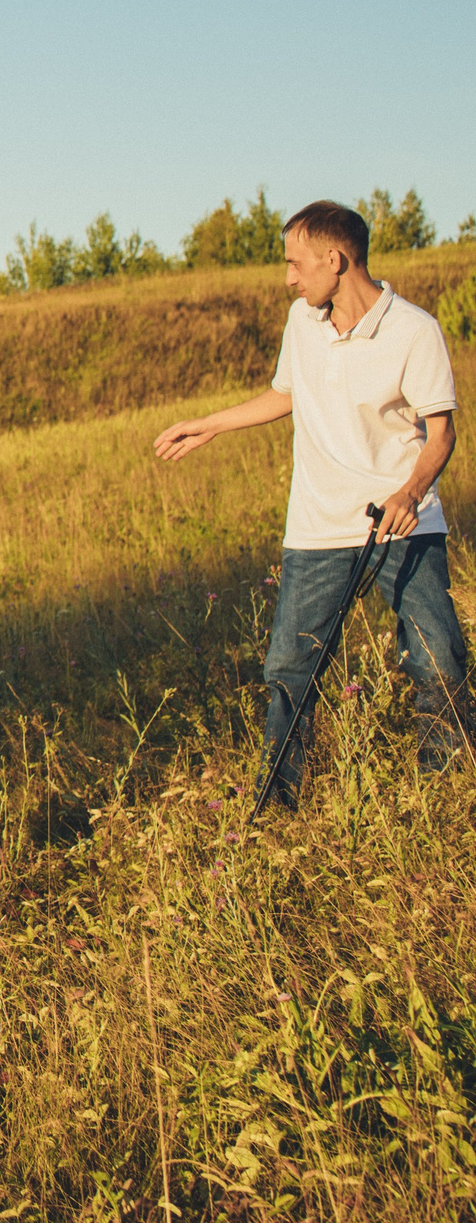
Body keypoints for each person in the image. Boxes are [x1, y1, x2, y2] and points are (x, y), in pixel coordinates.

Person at [155, 199, 466, 803]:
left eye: (296, 263)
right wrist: (210, 424)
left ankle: (449, 796)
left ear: (335, 258)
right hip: (318, 528)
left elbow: (442, 430)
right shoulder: (304, 322)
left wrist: (409, 492)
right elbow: (284, 394)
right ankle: (276, 805)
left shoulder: (414, 330)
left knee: (438, 662)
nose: (289, 278)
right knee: (289, 673)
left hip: (403, 525)